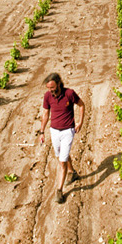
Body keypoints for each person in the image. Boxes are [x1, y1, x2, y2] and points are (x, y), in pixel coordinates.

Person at [38, 73, 85, 203]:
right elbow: (46, 114)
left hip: (68, 131)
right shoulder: (47, 96)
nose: (50, 91)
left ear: (59, 84)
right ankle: (72, 172)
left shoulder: (69, 93)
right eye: (48, 88)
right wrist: (42, 132)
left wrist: (80, 122)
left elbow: (81, 105)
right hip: (54, 131)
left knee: (62, 162)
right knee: (61, 155)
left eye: (52, 87)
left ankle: (59, 190)